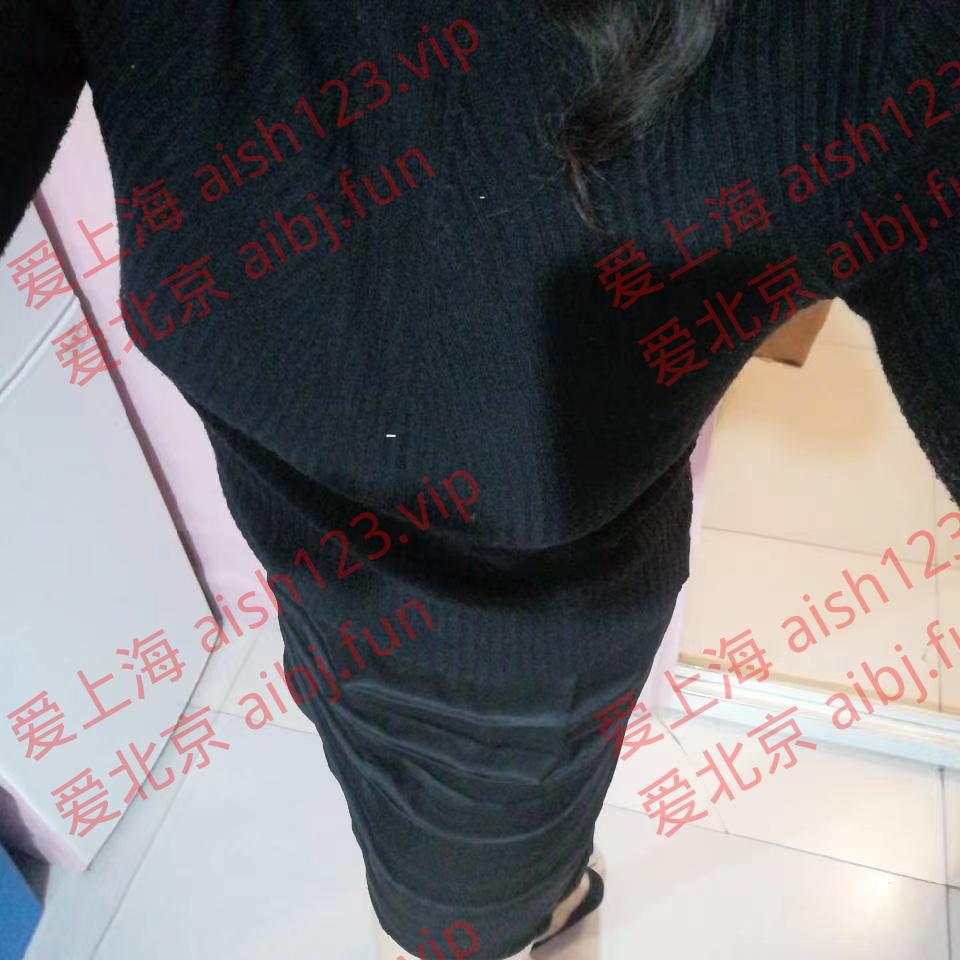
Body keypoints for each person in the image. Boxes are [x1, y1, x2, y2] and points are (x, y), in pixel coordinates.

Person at [2, 1, 958, 957]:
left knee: (458, 914)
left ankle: (541, 910)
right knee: (404, 824)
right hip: (312, 579)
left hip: (519, 662)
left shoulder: (870, 43)